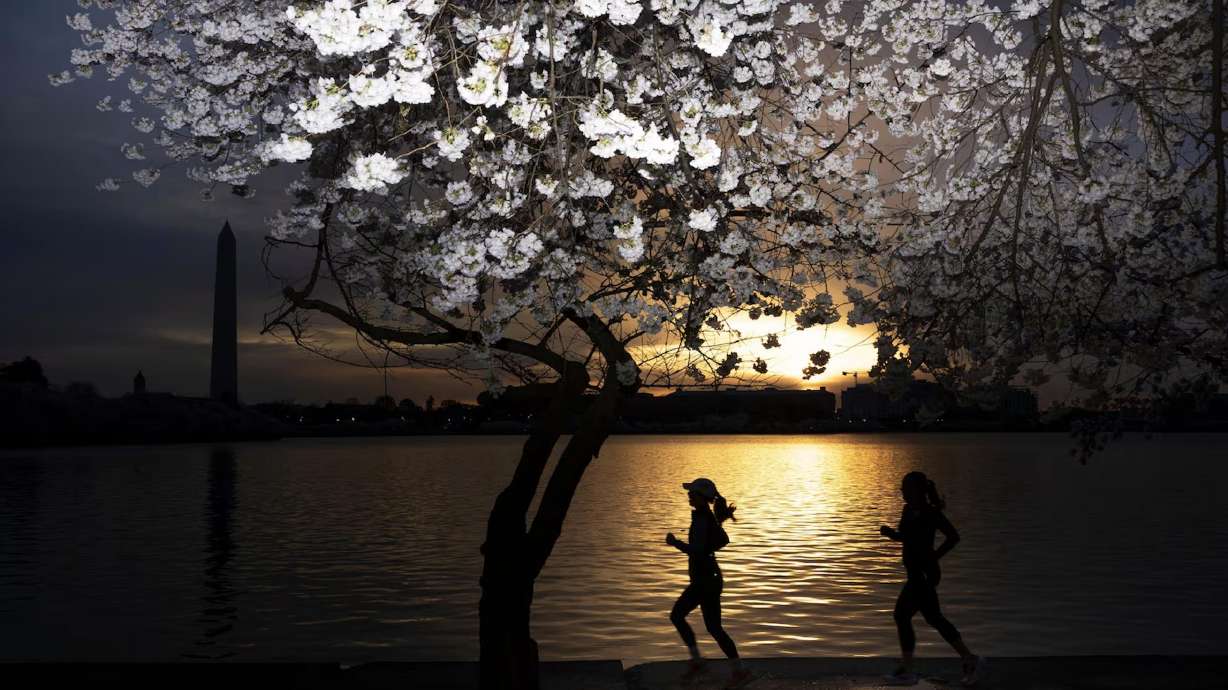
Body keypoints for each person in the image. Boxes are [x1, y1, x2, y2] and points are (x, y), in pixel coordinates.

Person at [880, 471, 986, 686]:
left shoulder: (930, 512)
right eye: (902, 488)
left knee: (902, 615)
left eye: (905, 488)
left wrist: (934, 557)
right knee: (933, 618)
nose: (902, 491)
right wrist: (893, 535)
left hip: (925, 574)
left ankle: (908, 670)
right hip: (915, 572)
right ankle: (969, 659)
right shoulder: (908, 510)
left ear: (917, 490)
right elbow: (907, 537)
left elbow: (953, 537)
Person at [666, 477, 752, 688]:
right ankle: (737, 671)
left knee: (678, 616)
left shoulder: (703, 519)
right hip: (709, 579)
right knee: (714, 628)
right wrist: (708, 546)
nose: (688, 495)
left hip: (705, 581)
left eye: (691, 493)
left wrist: (675, 543)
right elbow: (723, 540)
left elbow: (697, 550)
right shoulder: (706, 517)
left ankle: (698, 662)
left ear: (701, 497)